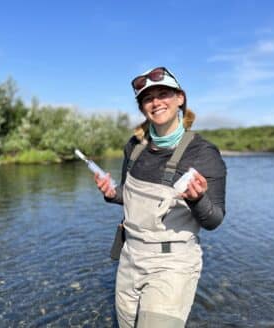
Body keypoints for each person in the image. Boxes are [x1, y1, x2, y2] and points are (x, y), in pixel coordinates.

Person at [94, 66, 226, 327]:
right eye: (147, 98)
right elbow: (131, 197)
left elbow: (214, 220)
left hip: (173, 265)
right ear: (142, 107)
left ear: (180, 98)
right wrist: (111, 194)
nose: (155, 102)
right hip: (129, 257)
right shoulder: (133, 148)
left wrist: (197, 199)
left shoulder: (204, 153)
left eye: (163, 94)